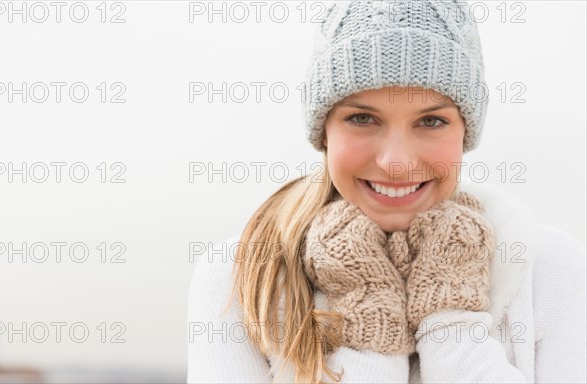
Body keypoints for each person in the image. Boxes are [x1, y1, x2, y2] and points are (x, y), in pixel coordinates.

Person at [187, 1, 586, 383]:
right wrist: (371, 322)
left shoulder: (547, 267)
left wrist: (452, 322)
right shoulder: (240, 274)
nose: (397, 161)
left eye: (431, 121)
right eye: (362, 118)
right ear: (324, 131)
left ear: (466, 132)